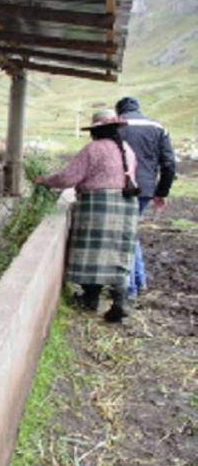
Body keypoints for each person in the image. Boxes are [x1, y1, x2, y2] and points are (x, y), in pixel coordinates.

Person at [36, 109, 139, 323]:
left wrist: (45, 180)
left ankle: (90, 298)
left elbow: (68, 178)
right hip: (127, 205)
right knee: (118, 251)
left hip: (98, 205)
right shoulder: (127, 150)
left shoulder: (93, 149)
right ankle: (120, 301)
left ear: (96, 131)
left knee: (93, 253)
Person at [115, 96, 177, 299]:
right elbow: (169, 164)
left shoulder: (117, 125)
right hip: (146, 189)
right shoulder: (158, 127)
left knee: (125, 235)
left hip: (122, 186)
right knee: (131, 233)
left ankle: (129, 289)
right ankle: (140, 281)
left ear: (119, 111)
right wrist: (161, 192)